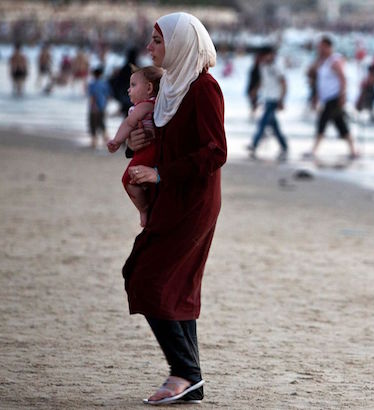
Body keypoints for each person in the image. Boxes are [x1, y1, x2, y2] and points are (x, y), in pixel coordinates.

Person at [121, 12, 226, 405]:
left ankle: (185, 371)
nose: (149, 49)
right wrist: (138, 147)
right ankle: (190, 376)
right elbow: (158, 143)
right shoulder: (169, 88)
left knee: (146, 275)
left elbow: (216, 151)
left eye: (158, 41)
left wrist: (161, 173)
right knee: (171, 283)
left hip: (193, 201)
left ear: (181, 45)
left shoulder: (204, 89)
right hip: (171, 195)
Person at [107, 65, 163, 227]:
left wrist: (117, 141)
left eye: (133, 85)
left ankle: (143, 210)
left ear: (149, 88)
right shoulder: (156, 104)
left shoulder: (145, 106)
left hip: (148, 150)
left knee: (128, 180)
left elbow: (129, 123)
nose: (128, 90)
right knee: (136, 179)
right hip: (148, 149)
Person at [305, 35, 357, 159]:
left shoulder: (335, 60)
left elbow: (343, 78)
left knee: (322, 122)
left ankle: (314, 150)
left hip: (334, 97)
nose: (320, 49)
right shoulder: (322, 61)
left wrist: (343, 95)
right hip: (326, 97)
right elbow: (314, 77)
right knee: (340, 124)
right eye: (319, 47)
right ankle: (353, 150)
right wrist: (316, 97)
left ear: (328, 47)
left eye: (322, 47)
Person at [246, 46, 289, 161]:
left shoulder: (277, 66)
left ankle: (254, 144)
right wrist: (255, 91)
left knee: (263, 122)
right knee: (274, 126)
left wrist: (282, 99)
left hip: (274, 99)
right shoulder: (263, 66)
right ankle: (284, 146)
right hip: (267, 98)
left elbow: (284, 83)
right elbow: (263, 81)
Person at [86, 66, 112, 149]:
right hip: (102, 106)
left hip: (94, 106)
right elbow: (108, 96)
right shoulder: (105, 83)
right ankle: (106, 140)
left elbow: (92, 96)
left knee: (93, 124)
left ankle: (94, 141)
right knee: (102, 123)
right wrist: (105, 105)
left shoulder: (92, 84)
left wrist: (93, 106)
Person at [109, 48, 139, 117]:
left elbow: (118, 82)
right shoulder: (137, 68)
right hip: (134, 95)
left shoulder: (124, 68)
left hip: (124, 95)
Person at [246, 49, 263, 120]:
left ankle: (254, 114)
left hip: (254, 88)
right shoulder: (256, 68)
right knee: (254, 102)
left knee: (255, 102)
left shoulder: (258, 68)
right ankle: (253, 114)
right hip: (252, 87)